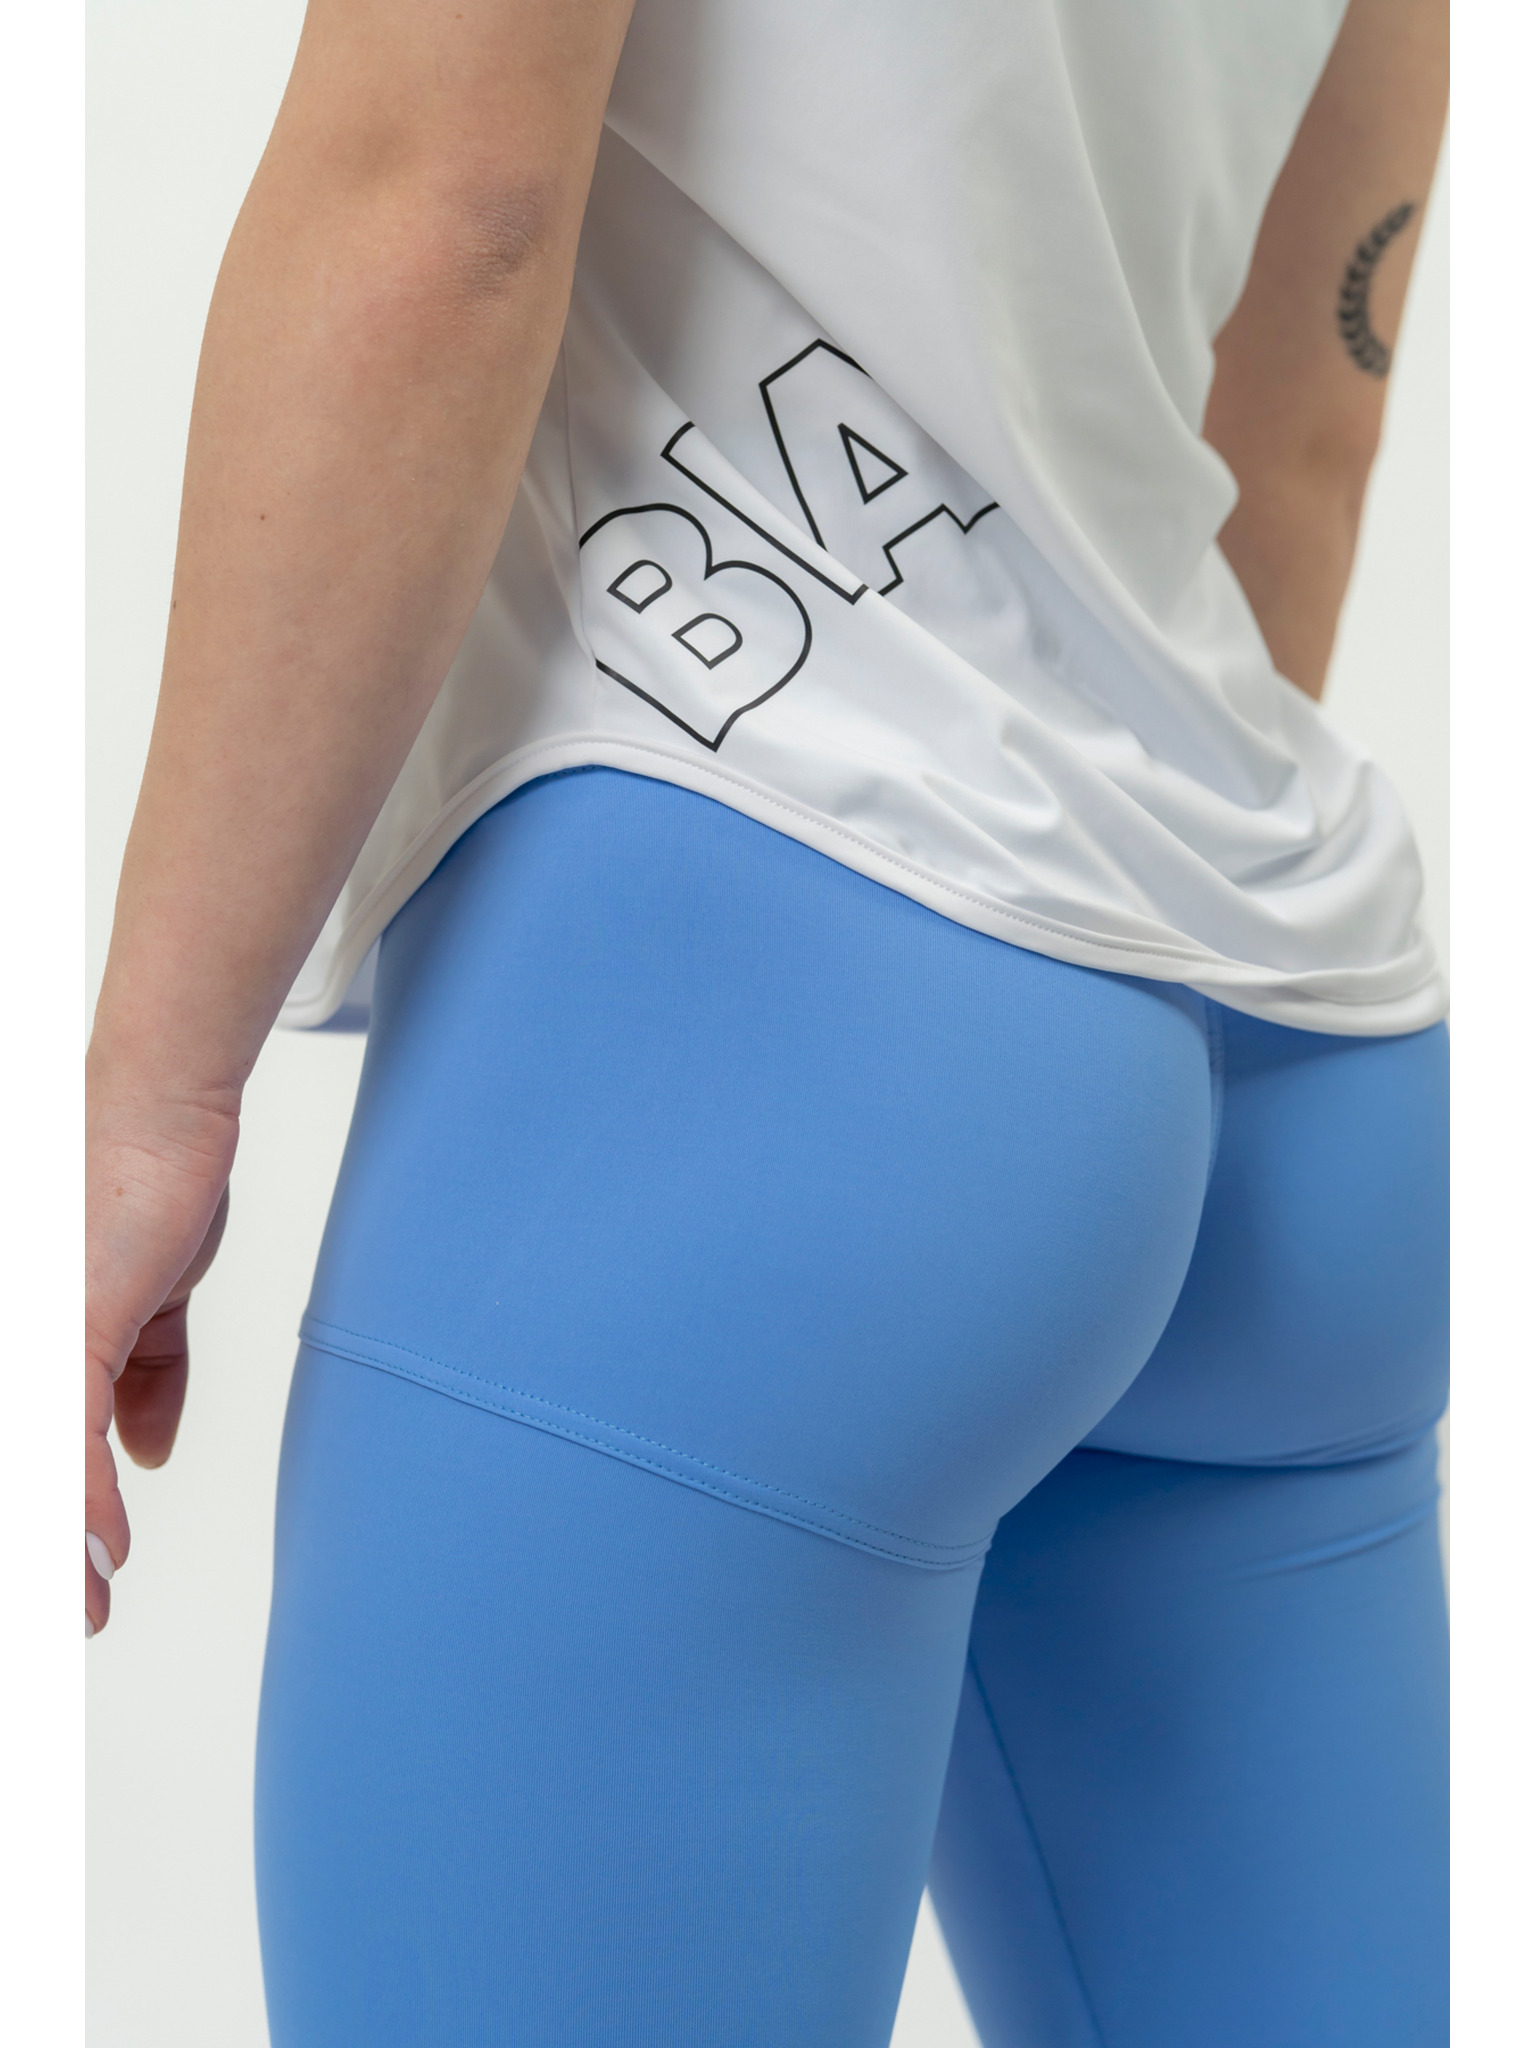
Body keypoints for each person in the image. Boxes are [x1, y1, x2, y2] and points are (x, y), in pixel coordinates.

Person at [85, 0, 1449, 2041]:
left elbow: (439, 200)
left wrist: (147, 1098)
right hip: (1287, 1025)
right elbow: (1304, 411)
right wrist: (1099, 976)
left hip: (739, 982)